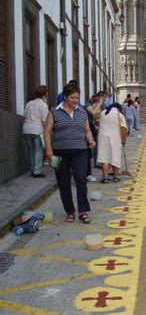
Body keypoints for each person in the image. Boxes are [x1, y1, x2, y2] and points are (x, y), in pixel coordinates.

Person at [44, 83, 95, 223]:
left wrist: (91, 141)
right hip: (58, 153)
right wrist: (48, 150)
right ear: (65, 97)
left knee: (81, 179)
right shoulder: (54, 111)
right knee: (63, 182)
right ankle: (70, 212)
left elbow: (87, 130)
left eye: (77, 97)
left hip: (80, 151)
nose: (75, 100)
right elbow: (47, 131)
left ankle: (83, 211)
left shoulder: (82, 111)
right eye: (72, 97)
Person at [96, 103, 128, 183]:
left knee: (104, 157)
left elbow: (97, 123)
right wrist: (123, 139)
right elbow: (124, 128)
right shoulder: (118, 114)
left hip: (102, 136)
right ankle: (116, 177)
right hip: (115, 137)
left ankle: (105, 178)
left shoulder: (103, 112)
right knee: (115, 156)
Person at [22, 85, 49, 177]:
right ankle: (37, 171)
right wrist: (48, 131)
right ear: (45, 93)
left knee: (31, 150)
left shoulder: (29, 103)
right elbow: (44, 120)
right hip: (37, 129)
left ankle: (32, 169)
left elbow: (25, 115)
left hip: (26, 129)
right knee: (38, 150)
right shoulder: (43, 105)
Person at [85, 93, 105, 182]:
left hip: (91, 130)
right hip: (85, 132)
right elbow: (93, 112)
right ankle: (87, 173)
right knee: (87, 153)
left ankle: (88, 172)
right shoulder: (87, 105)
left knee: (91, 151)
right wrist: (100, 103)